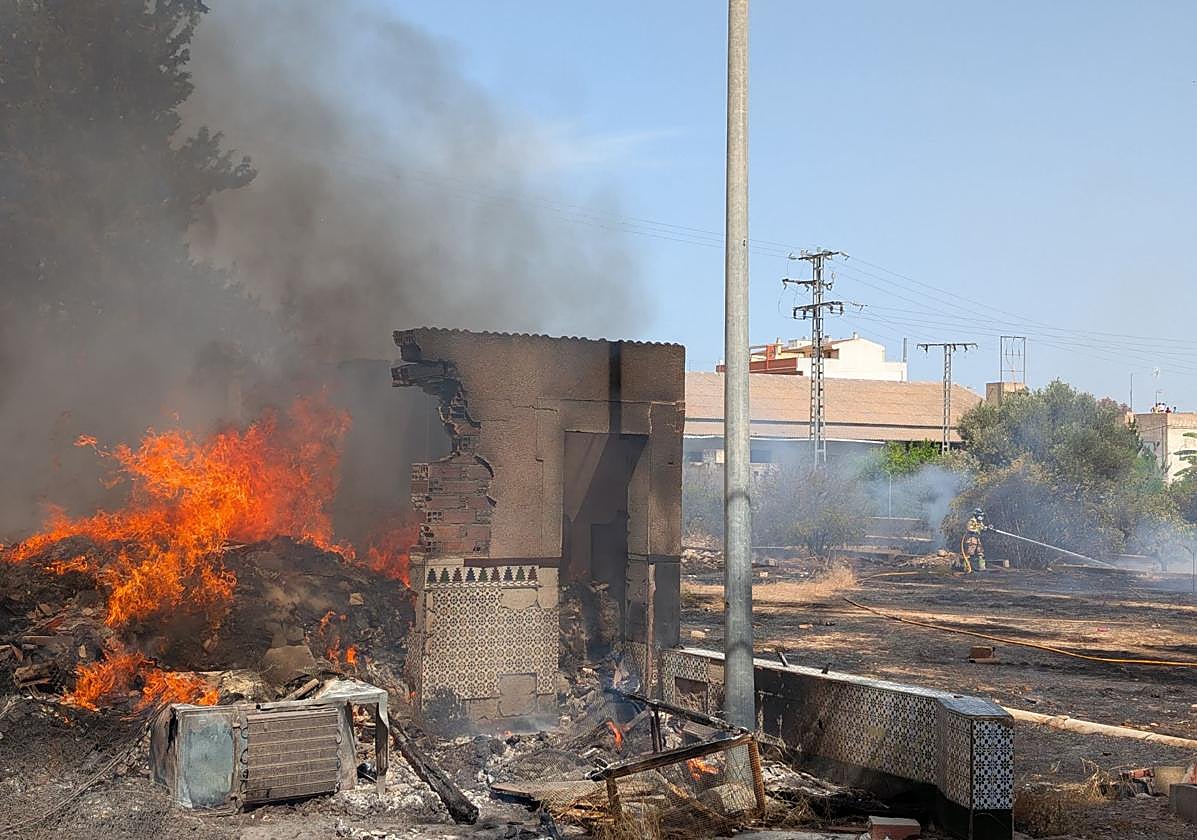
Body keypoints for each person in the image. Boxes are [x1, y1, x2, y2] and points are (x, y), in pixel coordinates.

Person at [959, 508, 988, 573]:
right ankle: (967, 568)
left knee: (980, 552)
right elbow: (969, 529)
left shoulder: (979, 522)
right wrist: (977, 530)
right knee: (969, 554)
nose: (981, 517)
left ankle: (982, 568)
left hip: (977, 539)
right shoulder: (972, 521)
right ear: (976, 515)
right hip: (971, 539)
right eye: (980, 515)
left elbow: (982, 527)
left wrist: (986, 528)